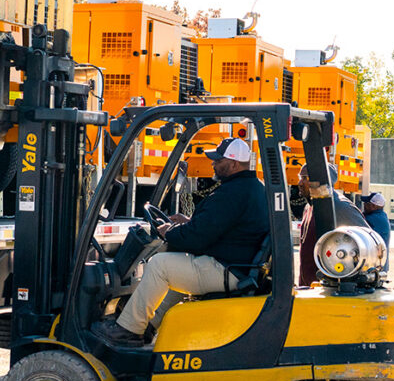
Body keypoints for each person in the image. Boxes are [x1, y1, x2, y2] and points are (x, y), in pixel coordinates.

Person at [91, 137, 269, 347]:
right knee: (177, 270)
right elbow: (222, 225)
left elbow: (197, 238)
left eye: (218, 160)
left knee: (159, 265)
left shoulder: (232, 193)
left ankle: (128, 329)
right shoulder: (251, 187)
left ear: (233, 164)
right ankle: (149, 326)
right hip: (238, 264)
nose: (213, 163)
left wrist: (170, 232)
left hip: (229, 269)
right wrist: (190, 222)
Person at [297, 163, 369, 287]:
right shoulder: (309, 207)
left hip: (329, 290)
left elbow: (367, 242)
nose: (299, 183)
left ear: (320, 180)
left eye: (305, 178)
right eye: (300, 177)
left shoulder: (340, 207)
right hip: (309, 288)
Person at [362, 191, 391, 271]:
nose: (364, 205)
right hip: (380, 265)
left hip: (374, 266)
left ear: (374, 206)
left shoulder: (372, 219)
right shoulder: (382, 215)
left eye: (367, 203)